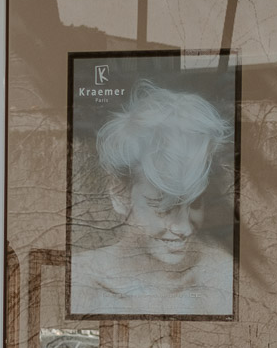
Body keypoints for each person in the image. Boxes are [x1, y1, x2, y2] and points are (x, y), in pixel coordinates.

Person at [72, 84, 235, 317]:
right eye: (164, 206)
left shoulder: (220, 278)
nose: (184, 228)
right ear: (119, 195)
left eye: (195, 201)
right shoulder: (81, 279)